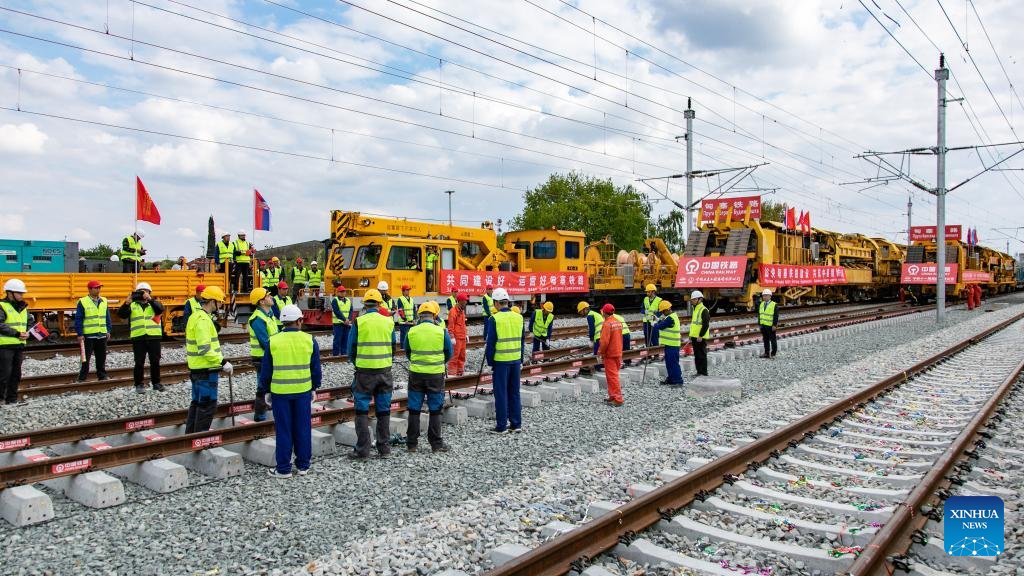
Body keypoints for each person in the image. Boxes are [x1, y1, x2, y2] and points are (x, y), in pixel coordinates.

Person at [261, 304, 321, 478]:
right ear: (300, 321)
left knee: (284, 430)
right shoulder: (309, 340)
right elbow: (315, 370)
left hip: (280, 393)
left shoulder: (273, 341)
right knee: (303, 428)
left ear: (283, 322)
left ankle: (283, 469)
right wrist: (314, 387)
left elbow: (267, 371)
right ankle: (303, 466)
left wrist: (266, 390)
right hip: (302, 392)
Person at [346, 289, 396, 459]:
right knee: (383, 410)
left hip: (364, 373)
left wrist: (358, 363)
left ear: (365, 305)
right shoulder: (388, 322)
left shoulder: (359, 322)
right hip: (384, 371)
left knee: (361, 410)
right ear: (380, 304)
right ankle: (384, 449)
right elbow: (393, 346)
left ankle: (363, 450)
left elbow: (351, 348)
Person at [404, 301, 453, 452]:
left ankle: (412, 444)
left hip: (416, 374)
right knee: (435, 409)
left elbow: (408, 352)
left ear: (419, 316)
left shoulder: (412, 331)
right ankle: (436, 444)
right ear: (434, 315)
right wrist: (438, 363)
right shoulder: (441, 331)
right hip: (435, 375)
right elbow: (449, 352)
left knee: (414, 408)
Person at [185, 286, 232, 433]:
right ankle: (200, 437)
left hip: (198, 368)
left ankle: (190, 436)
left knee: (197, 403)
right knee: (207, 404)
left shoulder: (196, 316)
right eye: (219, 302)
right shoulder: (203, 320)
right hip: (205, 369)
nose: (220, 306)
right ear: (212, 302)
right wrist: (223, 362)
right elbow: (205, 349)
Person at [484, 288, 525, 433]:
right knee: (514, 393)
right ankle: (516, 424)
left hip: (501, 362)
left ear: (496, 303)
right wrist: (521, 359)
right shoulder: (518, 318)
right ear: (507, 302)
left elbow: (491, 344)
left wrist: (490, 363)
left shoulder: (494, 319)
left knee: (501, 394)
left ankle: (501, 426)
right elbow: (522, 341)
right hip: (515, 361)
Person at [117, 282, 164, 393]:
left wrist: (150, 299)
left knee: (155, 361)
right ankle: (139, 384)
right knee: (139, 362)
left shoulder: (154, 303)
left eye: (145, 291)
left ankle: (156, 383)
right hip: (138, 337)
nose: (143, 294)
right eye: (140, 292)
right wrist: (126, 303)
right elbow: (121, 314)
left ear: (149, 292)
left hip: (154, 337)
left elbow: (160, 309)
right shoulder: (132, 305)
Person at [248, 288, 279, 422]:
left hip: (270, 356)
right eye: (268, 296)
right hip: (262, 358)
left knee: (270, 386)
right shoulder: (257, 319)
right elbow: (265, 342)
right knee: (263, 387)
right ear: (261, 301)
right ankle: (260, 417)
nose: (271, 297)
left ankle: (267, 412)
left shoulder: (269, 315)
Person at [0, 279, 30, 404]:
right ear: (10, 293)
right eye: (19, 293)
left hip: (18, 345)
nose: (22, 295)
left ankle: (11, 399)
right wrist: (17, 333)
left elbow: (27, 323)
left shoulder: (23, 307)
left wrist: (28, 333)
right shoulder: (2, 306)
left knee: (16, 374)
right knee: (3, 375)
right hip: (4, 346)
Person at [76, 280, 111, 382]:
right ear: (90, 289)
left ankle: (102, 376)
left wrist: (108, 330)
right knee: (85, 359)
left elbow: (107, 317)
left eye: (99, 287)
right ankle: (82, 377)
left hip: (102, 334)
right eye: (96, 288)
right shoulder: (83, 301)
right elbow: (79, 318)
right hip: (88, 335)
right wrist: (80, 333)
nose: (98, 289)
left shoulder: (104, 300)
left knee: (101, 357)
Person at [598, 303, 624, 406]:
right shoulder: (617, 322)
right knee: (613, 376)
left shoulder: (607, 324)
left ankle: (617, 399)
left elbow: (604, 341)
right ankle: (612, 396)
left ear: (604, 312)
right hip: (618, 352)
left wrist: (600, 352)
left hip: (610, 354)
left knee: (612, 377)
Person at [653, 299, 683, 385]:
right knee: (669, 363)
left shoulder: (670, 318)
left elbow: (661, 326)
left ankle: (677, 381)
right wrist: (657, 320)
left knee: (673, 363)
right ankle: (671, 379)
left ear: (668, 309)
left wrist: (654, 323)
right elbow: (663, 323)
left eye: (663, 311)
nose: (662, 313)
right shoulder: (671, 317)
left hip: (672, 345)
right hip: (670, 345)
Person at [688, 290, 710, 377]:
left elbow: (705, 324)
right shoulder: (696, 309)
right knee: (697, 355)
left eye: (694, 299)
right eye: (692, 299)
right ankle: (699, 372)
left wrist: (700, 335)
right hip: (695, 336)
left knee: (702, 355)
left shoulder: (704, 310)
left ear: (700, 299)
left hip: (700, 337)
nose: (692, 301)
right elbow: (694, 324)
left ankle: (704, 373)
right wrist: (691, 335)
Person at [447, 293, 469, 376]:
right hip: (457, 338)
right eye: (465, 301)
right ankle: (452, 374)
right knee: (454, 357)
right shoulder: (453, 312)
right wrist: (452, 337)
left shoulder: (461, 311)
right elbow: (450, 326)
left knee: (462, 356)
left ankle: (460, 372)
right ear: (460, 301)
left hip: (462, 337)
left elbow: (463, 324)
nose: (466, 302)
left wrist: (466, 334)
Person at [578, 301, 604, 369]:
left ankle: (598, 367)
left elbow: (592, 328)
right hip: (603, 335)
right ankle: (602, 365)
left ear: (585, 309)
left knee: (596, 354)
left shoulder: (590, 316)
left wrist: (591, 340)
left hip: (599, 337)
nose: (581, 313)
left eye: (581, 311)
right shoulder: (595, 314)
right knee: (601, 353)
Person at [330, 280, 353, 356]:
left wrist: (349, 319)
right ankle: (335, 354)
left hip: (346, 323)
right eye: (341, 292)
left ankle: (344, 354)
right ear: (338, 292)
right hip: (338, 323)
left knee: (345, 339)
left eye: (344, 291)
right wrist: (345, 319)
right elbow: (337, 311)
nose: (343, 293)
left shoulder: (348, 300)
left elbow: (351, 310)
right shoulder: (335, 300)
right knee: (337, 339)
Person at [758, 289, 778, 359]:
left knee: (773, 340)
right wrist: (759, 324)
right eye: (763, 296)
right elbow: (760, 314)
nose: (764, 297)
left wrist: (774, 325)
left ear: (770, 296)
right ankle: (766, 353)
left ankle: (773, 354)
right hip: (763, 325)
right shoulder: (761, 304)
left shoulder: (774, 305)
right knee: (765, 340)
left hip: (770, 326)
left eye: (766, 295)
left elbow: (776, 316)